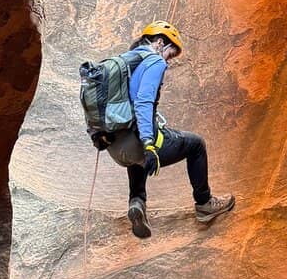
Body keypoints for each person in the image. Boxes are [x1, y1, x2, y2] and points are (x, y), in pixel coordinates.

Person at [97, 19, 235, 239]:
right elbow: (143, 102)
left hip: (115, 147)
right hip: (137, 144)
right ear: (160, 42)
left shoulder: (125, 62)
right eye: (171, 54)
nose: (169, 61)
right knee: (195, 144)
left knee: (138, 148)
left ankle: (137, 201)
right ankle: (204, 204)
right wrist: (149, 144)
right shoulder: (154, 61)